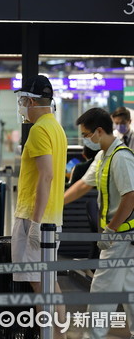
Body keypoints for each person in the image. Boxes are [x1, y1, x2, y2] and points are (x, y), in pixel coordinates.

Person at [64, 108, 134, 339]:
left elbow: (131, 196)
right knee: (129, 288)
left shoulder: (121, 157)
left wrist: (111, 230)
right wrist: (56, 204)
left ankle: (92, 336)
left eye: (86, 135)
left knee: (102, 290)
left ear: (100, 131)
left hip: (120, 237)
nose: (86, 140)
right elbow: (84, 184)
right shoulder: (103, 156)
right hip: (123, 237)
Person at [12, 75, 67, 339]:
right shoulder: (56, 127)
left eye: (23, 100)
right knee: (49, 284)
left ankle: (51, 335)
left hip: (36, 219)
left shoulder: (39, 130)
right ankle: (59, 335)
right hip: (51, 217)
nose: (22, 105)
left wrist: (34, 222)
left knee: (41, 285)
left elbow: (46, 175)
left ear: (32, 101)